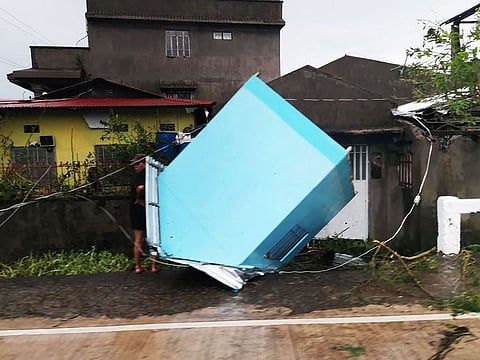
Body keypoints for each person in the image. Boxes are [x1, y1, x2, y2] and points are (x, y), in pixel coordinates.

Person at [130, 153, 160, 274]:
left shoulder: (142, 176)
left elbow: (140, 188)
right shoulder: (151, 175)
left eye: (138, 164)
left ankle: (138, 266)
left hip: (138, 209)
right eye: (134, 164)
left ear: (144, 163)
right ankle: (154, 266)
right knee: (153, 238)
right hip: (148, 209)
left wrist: (138, 198)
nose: (135, 166)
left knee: (138, 239)